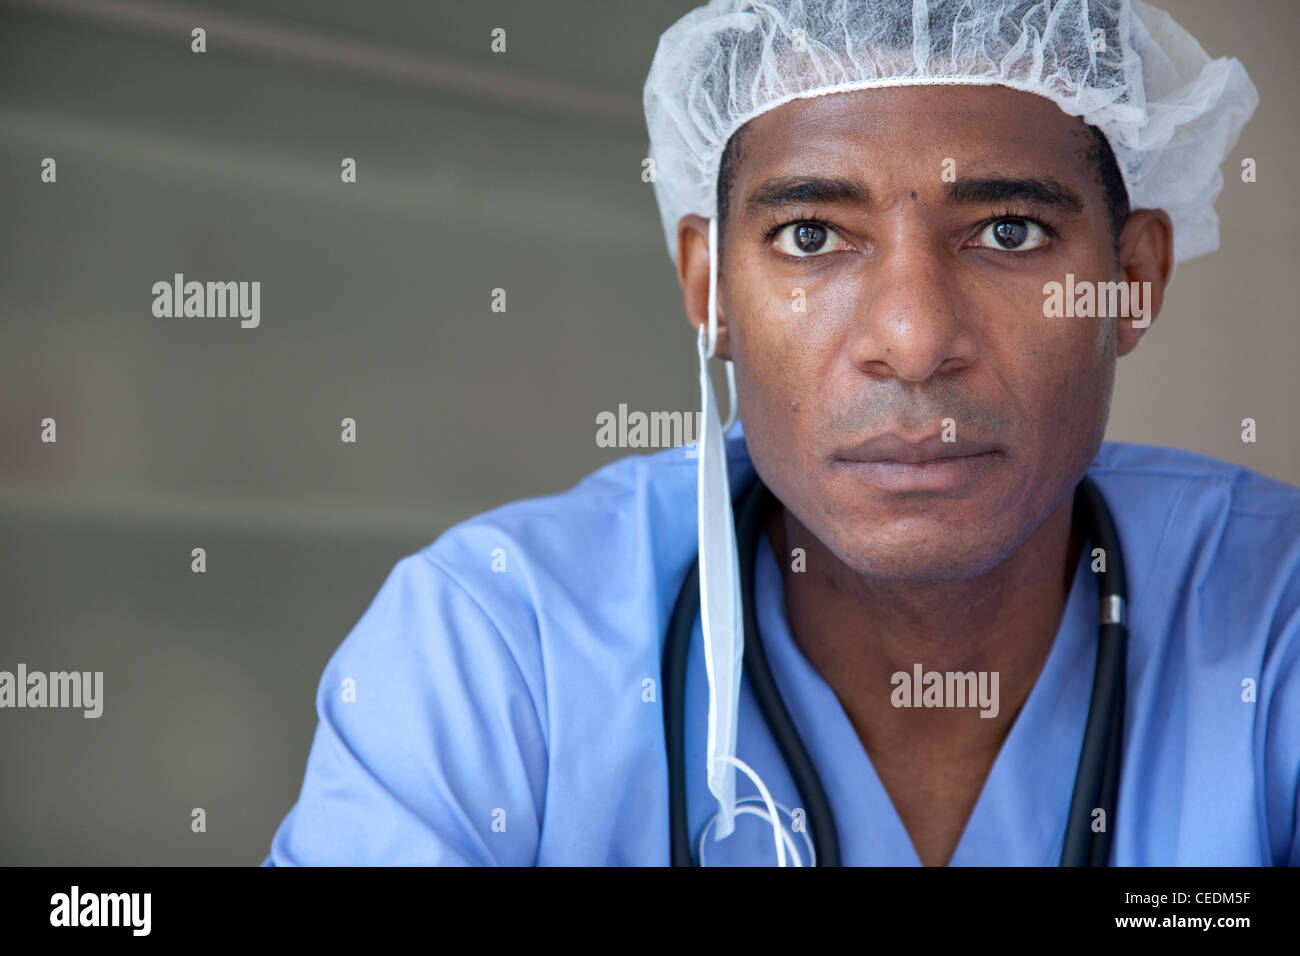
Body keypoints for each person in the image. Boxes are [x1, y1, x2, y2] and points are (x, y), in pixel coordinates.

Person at [262, 0, 1297, 866]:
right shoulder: (496, 646)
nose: (912, 337)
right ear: (709, 289)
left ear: (1130, 280)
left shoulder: (1274, 619)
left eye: (1007, 232)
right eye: (811, 236)